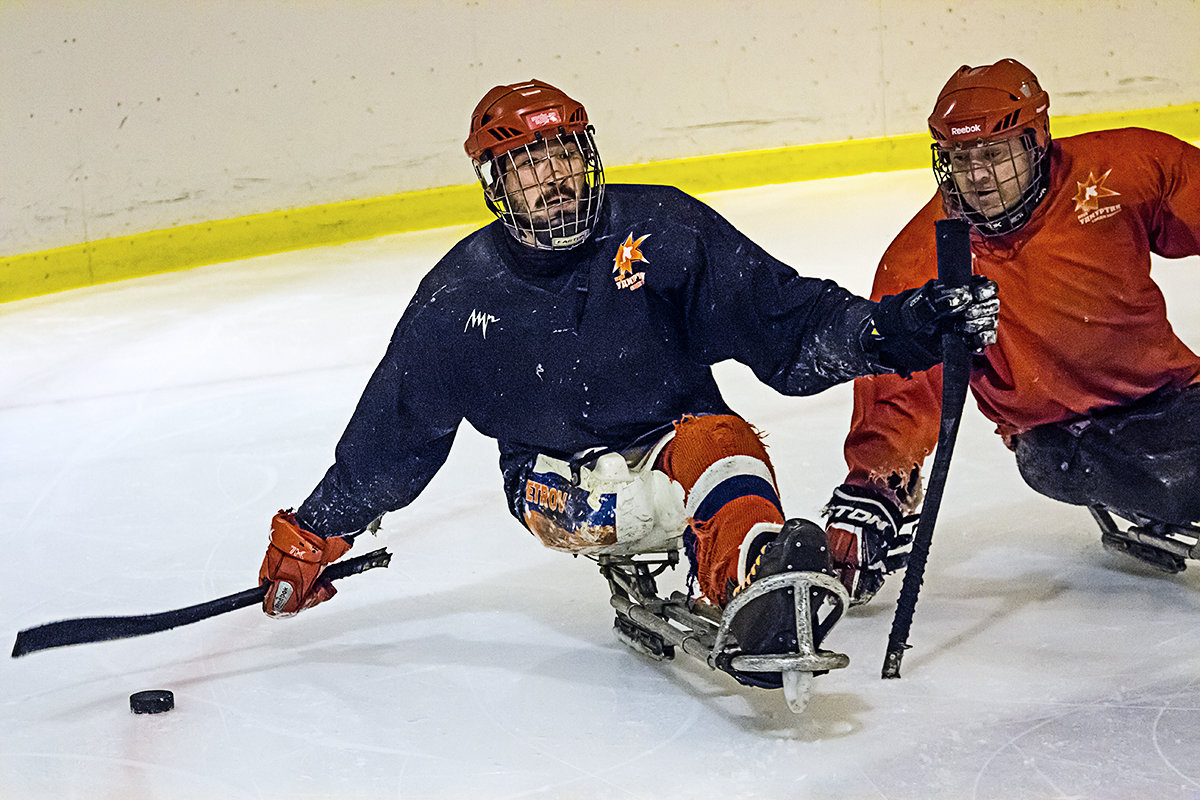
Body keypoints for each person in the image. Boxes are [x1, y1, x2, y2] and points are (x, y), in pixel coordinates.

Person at [257, 79, 997, 685]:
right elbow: (393, 439)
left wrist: (897, 329)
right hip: (554, 482)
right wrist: (311, 537)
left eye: (561, 156)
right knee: (640, 495)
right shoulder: (459, 302)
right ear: (496, 184)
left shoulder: (664, 229)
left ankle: (758, 579)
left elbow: (788, 323)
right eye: (526, 164)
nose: (550, 178)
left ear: (588, 157)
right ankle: (750, 577)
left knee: (726, 446)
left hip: (678, 440)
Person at [824, 58, 1200, 605]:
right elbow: (899, 394)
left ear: (1037, 140)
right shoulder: (925, 262)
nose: (978, 176)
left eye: (994, 155)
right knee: (1186, 476)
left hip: (1175, 396)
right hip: (1061, 433)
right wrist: (873, 487)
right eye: (960, 159)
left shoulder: (1123, 170)